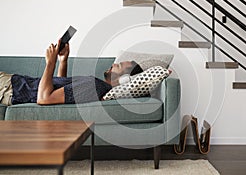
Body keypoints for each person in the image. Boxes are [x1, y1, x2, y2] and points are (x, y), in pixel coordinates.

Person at [0, 40, 143, 106]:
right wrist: (63, 61)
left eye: (118, 65)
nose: (113, 64)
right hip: (12, 84)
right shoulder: (96, 85)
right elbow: (58, 87)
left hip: (10, 88)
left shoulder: (94, 87)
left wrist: (51, 62)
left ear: (124, 79)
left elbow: (45, 99)